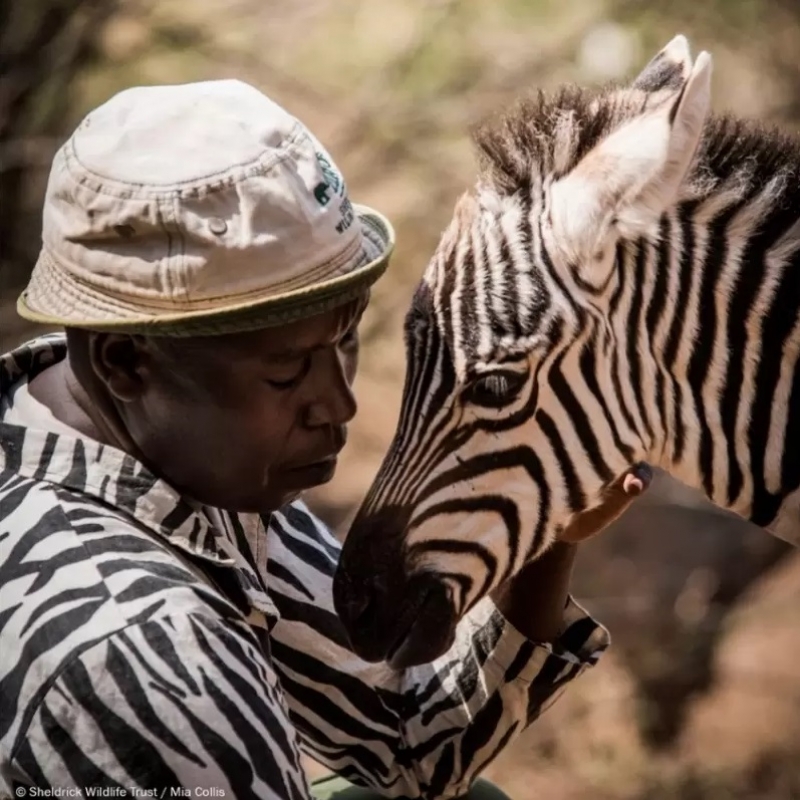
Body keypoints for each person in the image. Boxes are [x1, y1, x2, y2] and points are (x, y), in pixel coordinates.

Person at [0, 79, 650, 800]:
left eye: (345, 343)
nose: (337, 405)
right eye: (286, 374)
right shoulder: (149, 653)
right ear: (125, 361)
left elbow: (408, 737)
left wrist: (544, 533)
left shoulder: (156, 457)